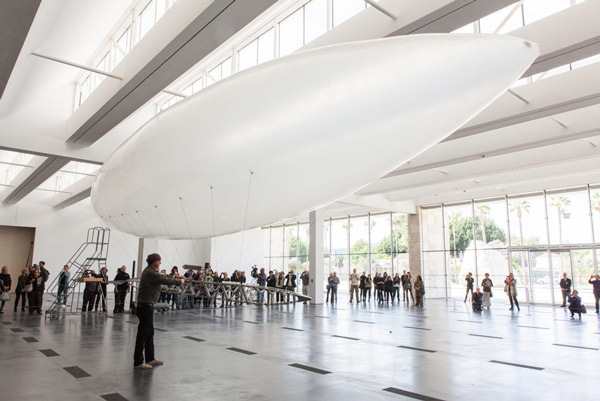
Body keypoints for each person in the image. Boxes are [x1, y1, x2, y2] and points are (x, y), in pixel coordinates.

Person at [134, 253, 187, 370]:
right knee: (143, 334)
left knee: (149, 333)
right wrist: (181, 281)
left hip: (148, 306)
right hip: (145, 306)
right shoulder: (150, 273)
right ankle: (138, 362)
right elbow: (164, 280)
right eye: (159, 261)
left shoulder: (151, 272)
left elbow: (161, 281)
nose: (160, 263)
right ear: (155, 262)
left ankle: (150, 358)